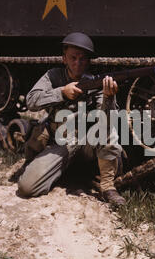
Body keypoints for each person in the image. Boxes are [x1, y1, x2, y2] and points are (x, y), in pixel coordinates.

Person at [17, 32, 126, 207]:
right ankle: (60, 170)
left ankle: (108, 187)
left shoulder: (95, 82)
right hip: (60, 142)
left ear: (88, 61)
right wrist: (61, 92)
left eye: (83, 59)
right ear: (64, 59)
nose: (78, 63)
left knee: (107, 128)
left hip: (86, 142)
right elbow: (31, 101)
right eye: (73, 58)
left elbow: (108, 119)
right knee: (26, 187)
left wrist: (109, 98)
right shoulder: (52, 76)